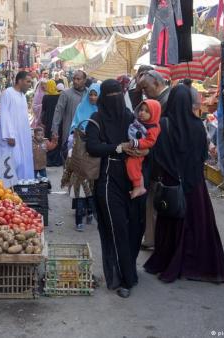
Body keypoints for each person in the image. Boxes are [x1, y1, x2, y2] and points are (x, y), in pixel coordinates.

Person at [143, 85, 224, 284]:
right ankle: (195, 265)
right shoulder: (198, 125)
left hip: (172, 184)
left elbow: (159, 157)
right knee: (197, 223)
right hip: (195, 185)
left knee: (171, 223)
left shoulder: (164, 124)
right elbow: (202, 155)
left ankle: (170, 261)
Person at [85, 79, 149, 298]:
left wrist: (141, 148)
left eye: (116, 96)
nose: (113, 101)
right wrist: (117, 147)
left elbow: (145, 139)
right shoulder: (96, 120)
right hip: (108, 180)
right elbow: (92, 147)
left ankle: (128, 269)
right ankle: (123, 278)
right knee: (117, 228)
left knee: (134, 228)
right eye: (109, 96)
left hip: (133, 180)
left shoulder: (131, 118)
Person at [139, 69, 171, 249]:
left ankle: (157, 240)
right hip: (153, 159)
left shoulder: (166, 101)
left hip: (159, 159)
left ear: (157, 83)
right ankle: (151, 238)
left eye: (146, 87)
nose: (144, 91)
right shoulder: (159, 100)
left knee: (156, 201)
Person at [63, 83, 101, 232]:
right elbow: (74, 125)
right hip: (80, 150)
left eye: (95, 94)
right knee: (80, 184)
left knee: (92, 185)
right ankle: (80, 217)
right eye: (90, 94)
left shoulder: (102, 110)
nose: (92, 97)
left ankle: (90, 211)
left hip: (95, 152)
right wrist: (78, 132)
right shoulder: (81, 107)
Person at [0, 71, 35, 181]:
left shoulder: (22, 96)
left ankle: (20, 188)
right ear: (19, 81)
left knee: (20, 162)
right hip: (10, 138)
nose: (29, 84)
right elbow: (3, 114)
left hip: (21, 137)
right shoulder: (8, 93)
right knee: (9, 162)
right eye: (28, 82)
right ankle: (6, 189)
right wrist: (9, 135)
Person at [121, 99, 161, 199]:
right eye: (141, 110)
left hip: (140, 151)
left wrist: (137, 143)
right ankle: (140, 186)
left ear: (154, 114)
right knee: (135, 168)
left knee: (132, 165)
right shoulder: (140, 122)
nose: (142, 112)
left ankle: (137, 186)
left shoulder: (153, 127)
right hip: (136, 148)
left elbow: (150, 141)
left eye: (147, 111)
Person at [52, 70, 88, 161]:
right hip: (70, 133)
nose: (75, 81)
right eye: (74, 79)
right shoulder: (66, 94)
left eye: (78, 79)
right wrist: (55, 130)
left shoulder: (90, 94)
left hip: (87, 133)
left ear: (84, 80)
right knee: (69, 160)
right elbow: (58, 112)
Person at [40, 80, 63, 166]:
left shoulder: (46, 97)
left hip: (49, 121)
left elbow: (44, 110)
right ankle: (57, 160)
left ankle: (49, 160)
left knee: (49, 139)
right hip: (58, 121)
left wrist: (42, 121)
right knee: (57, 138)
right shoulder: (60, 96)